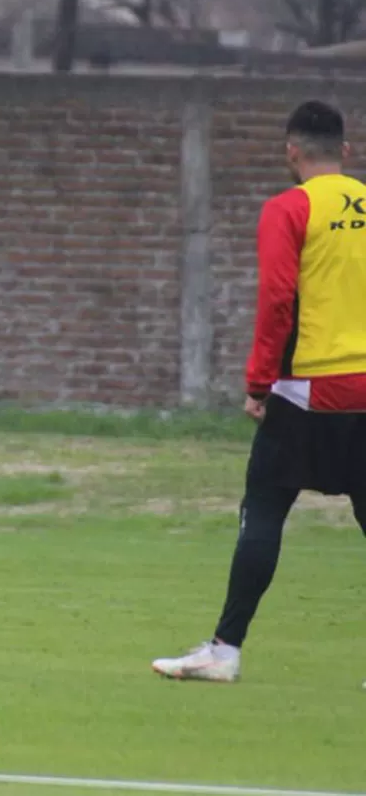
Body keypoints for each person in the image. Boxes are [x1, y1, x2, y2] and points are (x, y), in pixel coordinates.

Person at [152, 100, 366, 682]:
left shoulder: (288, 209)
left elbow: (276, 300)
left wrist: (257, 384)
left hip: (308, 389)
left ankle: (224, 651)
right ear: (346, 152)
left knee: (266, 506)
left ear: (291, 152)